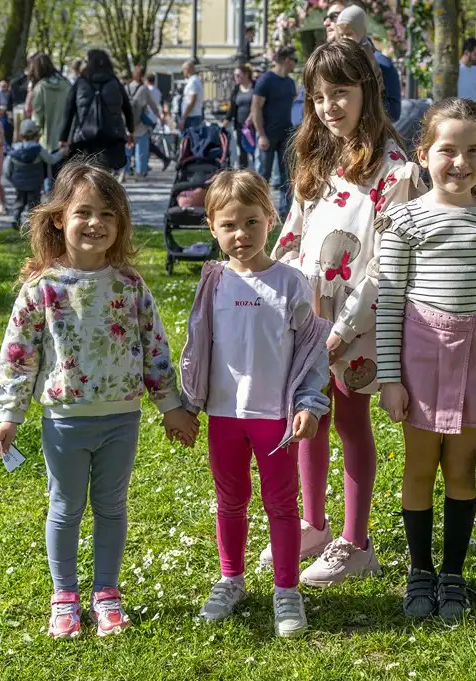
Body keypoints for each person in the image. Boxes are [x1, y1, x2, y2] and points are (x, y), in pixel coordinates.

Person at [0, 161, 197, 640]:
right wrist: (9, 414)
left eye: (108, 213)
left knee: (111, 506)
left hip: (121, 419)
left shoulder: (129, 286)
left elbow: (155, 350)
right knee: (64, 507)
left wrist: (171, 407)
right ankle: (64, 596)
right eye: (84, 211)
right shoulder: (42, 289)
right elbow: (18, 356)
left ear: (120, 223)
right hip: (64, 421)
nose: (95, 223)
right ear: (60, 218)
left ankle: (106, 592)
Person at [265, 38, 424, 586]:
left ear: (367, 92)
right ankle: (313, 523)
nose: (330, 107)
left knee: (351, 420)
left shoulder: (394, 171)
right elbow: (294, 230)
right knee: (311, 415)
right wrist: (278, 286)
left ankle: (356, 542)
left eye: (341, 93)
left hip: (357, 322)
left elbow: (386, 266)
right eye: (318, 97)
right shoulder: (316, 156)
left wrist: (342, 328)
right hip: (308, 315)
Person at [376, 97, 476, 622]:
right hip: (421, 357)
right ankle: (419, 570)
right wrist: (389, 378)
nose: (460, 162)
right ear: (422, 154)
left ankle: (453, 573)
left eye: (473, 151)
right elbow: (389, 301)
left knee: (461, 469)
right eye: (447, 150)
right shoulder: (404, 221)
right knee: (420, 467)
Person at [179, 170, 331, 637]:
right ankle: (231, 579)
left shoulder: (291, 282)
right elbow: (196, 346)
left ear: (271, 219)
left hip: (276, 419)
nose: (240, 234)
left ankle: (286, 590)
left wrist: (308, 402)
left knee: (282, 505)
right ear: (212, 228)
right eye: (229, 225)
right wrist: (187, 404)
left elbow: (311, 351)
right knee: (230, 501)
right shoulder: (214, 281)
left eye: (251, 221)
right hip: (225, 417)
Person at [58, 49, 135, 175]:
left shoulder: (80, 83)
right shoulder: (114, 82)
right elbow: (127, 108)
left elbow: (69, 111)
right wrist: (130, 131)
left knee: (86, 173)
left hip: (85, 137)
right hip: (111, 136)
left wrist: (63, 138)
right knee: (106, 173)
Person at [250, 45, 297, 218]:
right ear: (286, 60)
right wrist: (261, 134)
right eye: (294, 60)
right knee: (263, 176)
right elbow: (256, 109)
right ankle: (260, 211)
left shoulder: (290, 82)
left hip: (286, 136)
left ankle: (285, 213)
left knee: (288, 176)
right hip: (268, 135)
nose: (295, 64)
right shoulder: (266, 80)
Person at [334, 5, 402, 122]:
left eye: (349, 34)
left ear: (361, 32)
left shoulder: (380, 63)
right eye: (341, 35)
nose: (344, 39)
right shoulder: (336, 60)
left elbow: (393, 111)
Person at [4, 119, 63, 230]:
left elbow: (6, 169)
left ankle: (15, 218)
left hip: (19, 183)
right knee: (34, 203)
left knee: (19, 201)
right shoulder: (38, 149)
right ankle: (33, 224)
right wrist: (61, 153)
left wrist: (12, 180)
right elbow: (51, 160)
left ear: (21, 134)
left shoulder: (14, 150)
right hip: (35, 182)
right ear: (36, 134)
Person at [28, 53, 71, 164]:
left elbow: (37, 118)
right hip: (66, 141)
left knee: (49, 178)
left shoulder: (40, 88)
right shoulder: (67, 84)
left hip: (47, 142)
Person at [125, 66, 168, 175]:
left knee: (127, 149)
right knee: (141, 150)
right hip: (140, 124)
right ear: (143, 76)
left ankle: (125, 171)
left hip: (128, 125)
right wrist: (160, 117)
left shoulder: (126, 88)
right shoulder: (144, 89)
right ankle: (140, 172)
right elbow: (153, 105)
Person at [226, 64, 256, 169]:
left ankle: (258, 177)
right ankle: (243, 176)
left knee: (255, 151)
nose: (236, 77)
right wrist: (225, 121)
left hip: (254, 125)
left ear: (246, 74)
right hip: (240, 126)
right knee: (242, 150)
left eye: (238, 75)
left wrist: (252, 116)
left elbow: (259, 104)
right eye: (235, 75)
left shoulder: (255, 86)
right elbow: (232, 108)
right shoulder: (236, 89)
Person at [179, 59, 204, 131]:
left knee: (191, 140)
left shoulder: (193, 82)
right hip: (192, 116)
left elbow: (192, 101)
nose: (182, 72)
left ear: (188, 69)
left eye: (183, 69)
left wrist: (183, 118)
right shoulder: (195, 80)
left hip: (191, 118)